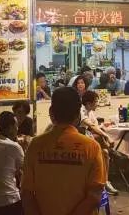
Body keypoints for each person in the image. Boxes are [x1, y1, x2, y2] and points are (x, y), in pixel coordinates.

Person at [21, 87, 105, 215]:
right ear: (78, 115)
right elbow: (94, 196)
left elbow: (26, 193)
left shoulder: (35, 145)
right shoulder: (92, 147)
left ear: (51, 112)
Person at [80, 91, 118, 195]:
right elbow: (91, 126)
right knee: (101, 138)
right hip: (79, 141)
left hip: (87, 138)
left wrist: (104, 129)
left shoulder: (90, 112)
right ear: (88, 103)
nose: (97, 104)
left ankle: (105, 181)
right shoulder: (81, 110)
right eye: (96, 101)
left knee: (105, 152)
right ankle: (112, 151)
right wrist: (107, 137)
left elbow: (96, 126)